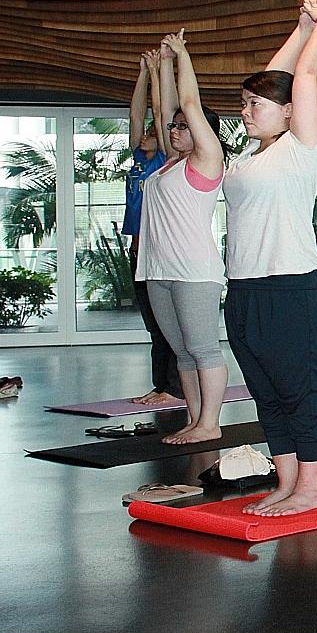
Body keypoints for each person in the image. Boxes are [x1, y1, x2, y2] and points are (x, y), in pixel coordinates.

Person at [223, 0, 317, 517]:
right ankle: (288, 484)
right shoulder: (249, 155)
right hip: (244, 290)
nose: (245, 111)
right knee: (266, 396)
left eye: (254, 105)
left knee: (298, 392)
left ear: (289, 113)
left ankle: (312, 490)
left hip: (292, 289)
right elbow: (277, 80)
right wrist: (297, 28)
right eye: (243, 104)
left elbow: (303, 80)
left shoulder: (303, 148)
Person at [138, 29, 228, 445]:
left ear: (201, 131)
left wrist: (182, 56)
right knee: (183, 353)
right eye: (171, 128)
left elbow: (187, 104)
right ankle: (195, 420)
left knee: (204, 349)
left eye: (182, 127)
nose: (173, 129)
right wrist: (159, 71)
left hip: (194, 271)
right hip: (159, 270)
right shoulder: (169, 165)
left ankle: (211, 422)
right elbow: (164, 109)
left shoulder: (207, 162)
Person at [124, 49, 180, 407]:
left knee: (166, 326)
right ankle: (161, 385)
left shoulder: (163, 160)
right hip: (138, 251)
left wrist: (162, 70)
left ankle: (172, 388)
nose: (145, 132)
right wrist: (143, 72)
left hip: (159, 251)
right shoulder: (138, 160)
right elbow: (134, 114)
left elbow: (160, 114)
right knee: (152, 327)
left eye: (152, 131)